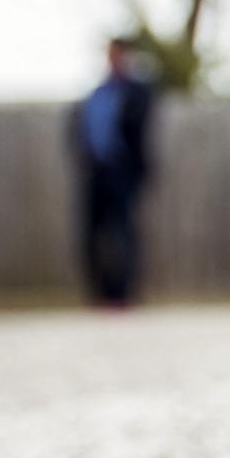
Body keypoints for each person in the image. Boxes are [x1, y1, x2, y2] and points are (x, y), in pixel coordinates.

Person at [68, 37, 155, 306]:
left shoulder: (137, 92)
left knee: (123, 232)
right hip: (96, 171)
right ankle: (100, 293)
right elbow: (79, 130)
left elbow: (141, 133)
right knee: (91, 233)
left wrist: (139, 169)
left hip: (122, 171)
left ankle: (124, 293)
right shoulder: (96, 93)